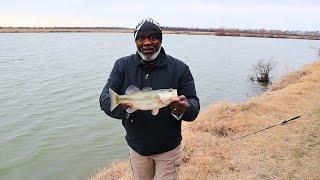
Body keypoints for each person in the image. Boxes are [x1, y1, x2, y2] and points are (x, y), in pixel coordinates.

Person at [99, 18, 200, 180]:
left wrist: (185, 108)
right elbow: (104, 99)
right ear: (135, 41)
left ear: (160, 40)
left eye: (153, 37)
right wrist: (122, 106)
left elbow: (194, 106)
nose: (147, 42)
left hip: (168, 149)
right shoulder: (122, 66)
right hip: (137, 147)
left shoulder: (180, 68)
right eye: (141, 38)